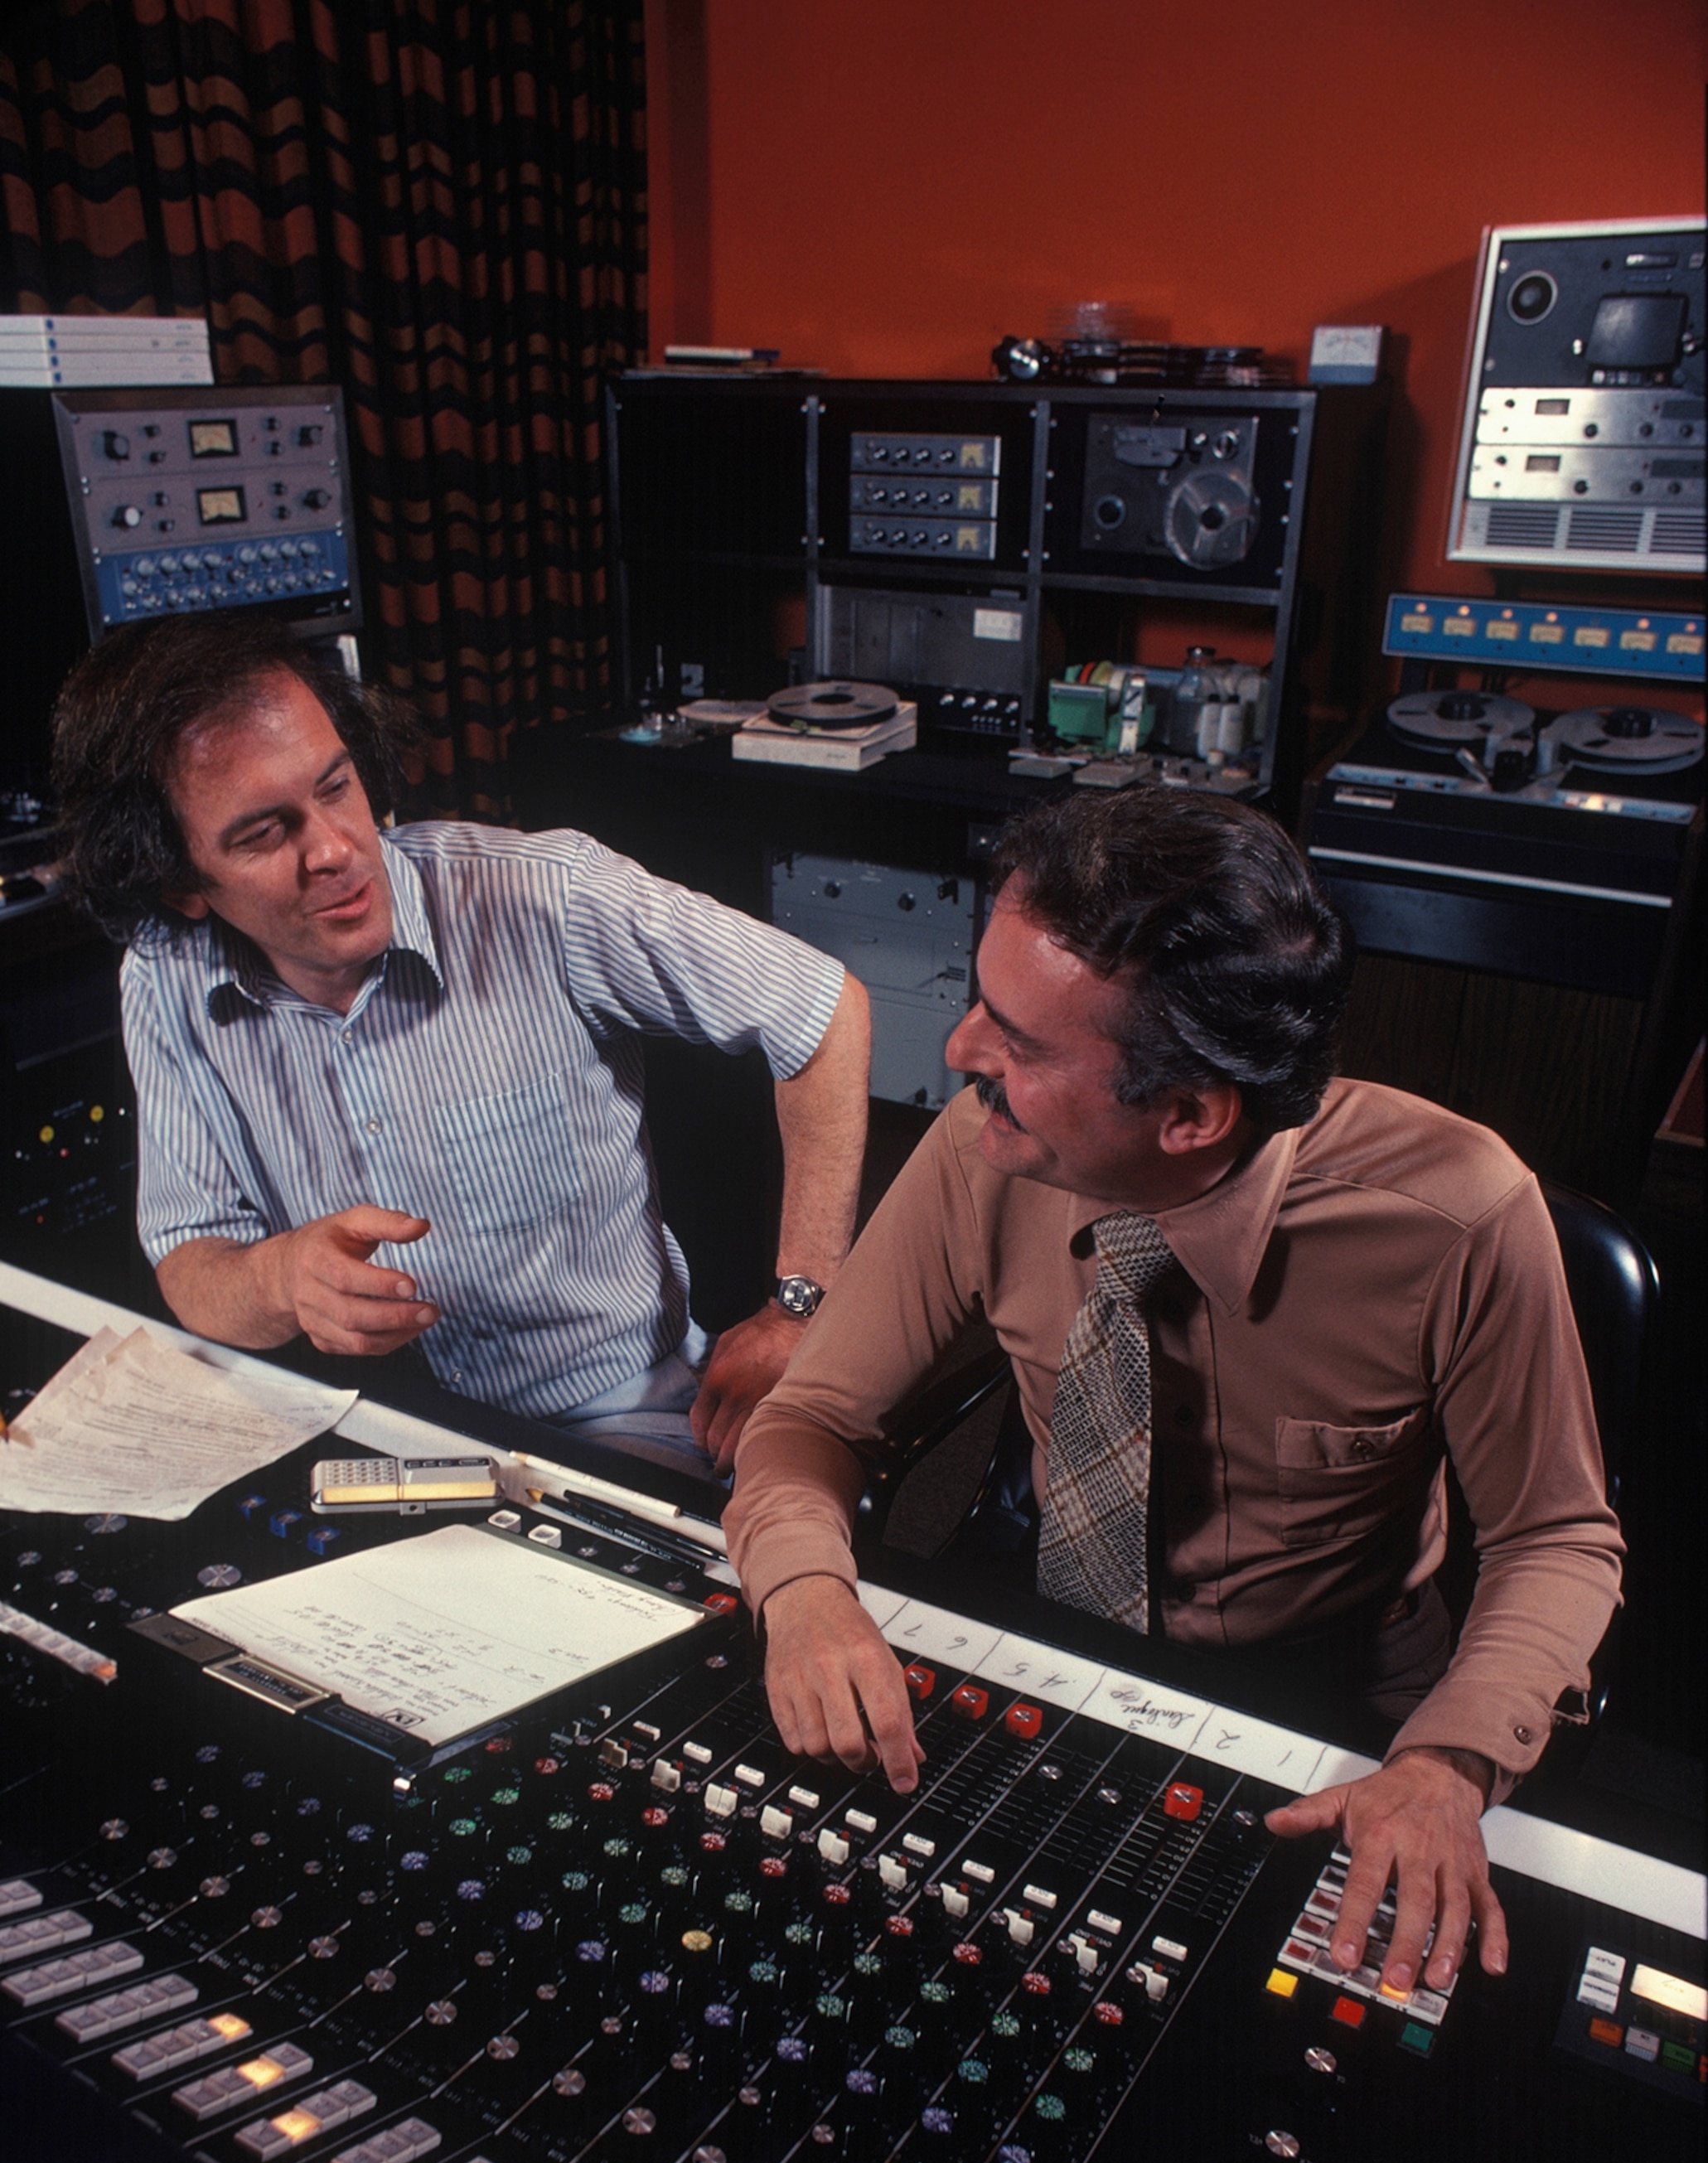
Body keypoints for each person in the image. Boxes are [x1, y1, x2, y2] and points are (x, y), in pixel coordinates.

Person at [726, 787, 1623, 2002]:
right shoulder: (980, 1149)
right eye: (981, 1000)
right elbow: (814, 1420)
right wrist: (809, 1588)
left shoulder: (1464, 1217)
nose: (958, 1053)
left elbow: (1555, 1537)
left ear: (1193, 1114)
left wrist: (1450, 1764)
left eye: (1021, 1044)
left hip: (1338, 1710)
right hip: (1052, 1654)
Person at [51, 616, 871, 1473]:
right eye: (263, 834)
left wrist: (800, 1308)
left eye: (337, 787)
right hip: (359, 1435)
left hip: (609, 1428)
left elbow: (822, 1009)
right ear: (181, 882)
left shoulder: (544, 895)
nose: (333, 850)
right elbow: (191, 1257)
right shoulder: (162, 975)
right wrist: (281, 1279)